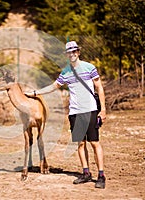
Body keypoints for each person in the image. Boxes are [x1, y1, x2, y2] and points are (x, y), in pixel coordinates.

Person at [25, 41, 107, 189]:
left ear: (78, 52)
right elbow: (53, 86)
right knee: (80, 144)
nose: (72, 54)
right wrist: (35, 93)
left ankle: (101, 175)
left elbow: (99, 87)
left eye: (74, 51)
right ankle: (86, 173)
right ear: (67, 55)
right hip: (75, 112)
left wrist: (103, 109)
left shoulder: (89, 67)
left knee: (94, 143)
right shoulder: (66, 72)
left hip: (90, 110)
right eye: (69, 52)